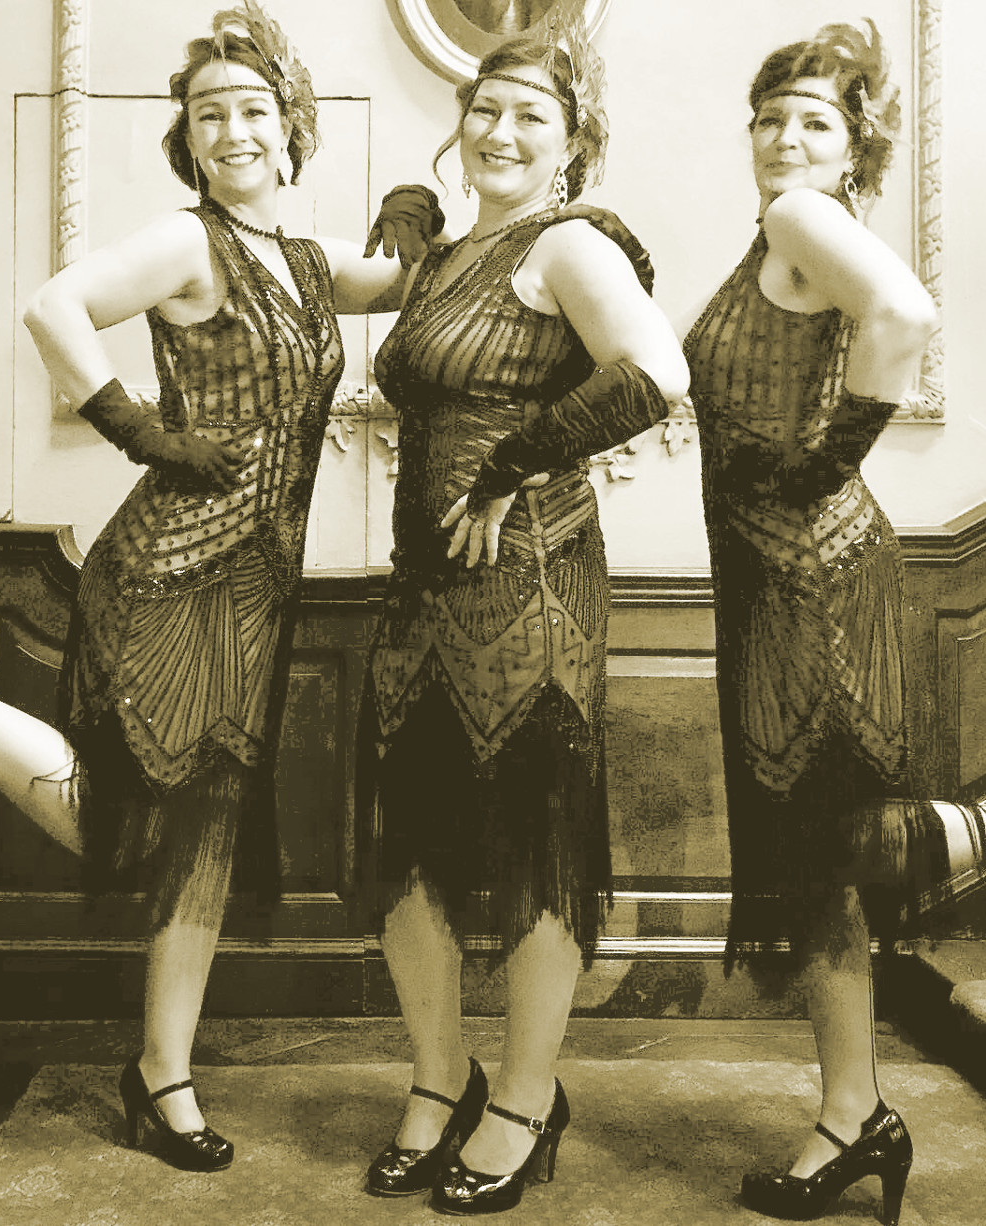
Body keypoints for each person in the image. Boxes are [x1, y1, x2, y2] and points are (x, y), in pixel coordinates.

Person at [0, 0, 428, 1173]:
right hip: (169, 572)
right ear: (188, 141)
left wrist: (412, 208)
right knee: (138, 820)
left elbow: (390, 278)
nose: (231, 131)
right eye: (207, 116)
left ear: (290, 127)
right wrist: (141, 431)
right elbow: (52, 306)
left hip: (254, 589)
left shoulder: (304, 262)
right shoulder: (187, 242)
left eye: (251, 110)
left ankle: (160, 1073)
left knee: (206, 834)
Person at [358, 28, 689, 1216]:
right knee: (409, 852)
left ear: (571, 142)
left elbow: (655, 371)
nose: (498, 132)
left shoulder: (570, 243)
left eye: (528, 116)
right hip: (419, 587)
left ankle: (525, 1097)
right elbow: (369, 302)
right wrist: (406, 222)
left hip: (535, 584)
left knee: (533, 848)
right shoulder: (455, 253)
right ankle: (439, 1078)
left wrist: (511, 463)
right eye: (484, 109)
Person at [683, 20, 974, 1224]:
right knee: (817, 868)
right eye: (770, 118)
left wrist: (824, 462)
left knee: (824, 845)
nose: (784, 138)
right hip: (779, 579)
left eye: (813, 121)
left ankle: (971, 836)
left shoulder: (805, 216)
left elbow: (904, 311)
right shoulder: (782, 229)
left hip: (813, 578)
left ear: (854, 148)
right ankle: (853, 1110)